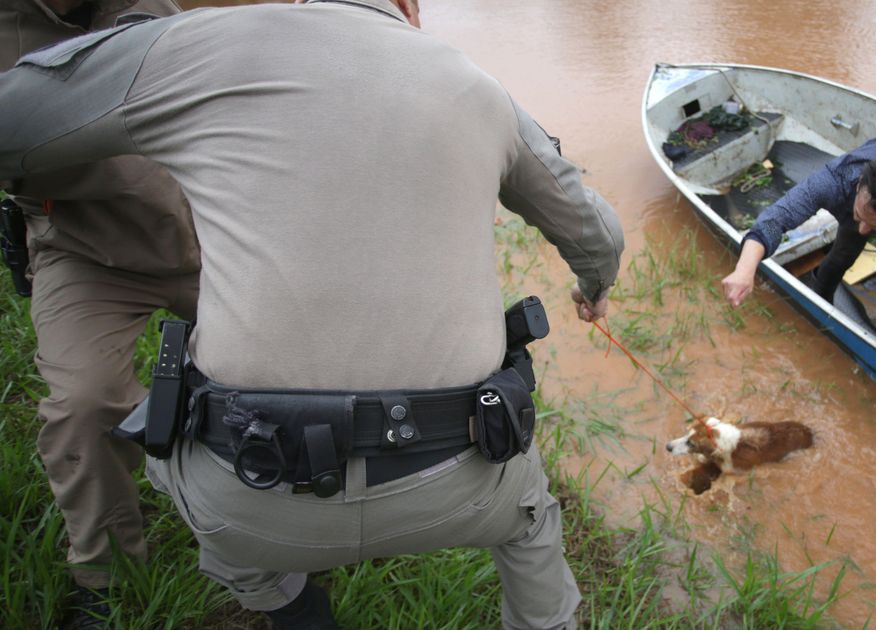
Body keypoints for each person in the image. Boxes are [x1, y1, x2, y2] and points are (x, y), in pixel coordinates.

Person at [0, 0, 624, 627]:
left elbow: (16, 118)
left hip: (246, 499)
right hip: (463, 484)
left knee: (192, 484)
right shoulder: (478, 85)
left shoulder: (193, 42)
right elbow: (594, 229)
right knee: (531, 521)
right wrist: (593, 286)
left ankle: (287, 604)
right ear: (409, 8)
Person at [0, 0, 199, 626]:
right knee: (84, 403)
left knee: (284, 369)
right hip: (86, 250)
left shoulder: (156, 10)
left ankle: (287, 535)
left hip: (216, 239)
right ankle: (106, 573)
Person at [721, 137, 876, 373]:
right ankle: (820, 308)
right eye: (860, 216)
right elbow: (775, 219)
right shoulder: (836, 179)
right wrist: (744, 270)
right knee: (841, 255)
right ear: (858, 186)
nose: (864, 231)